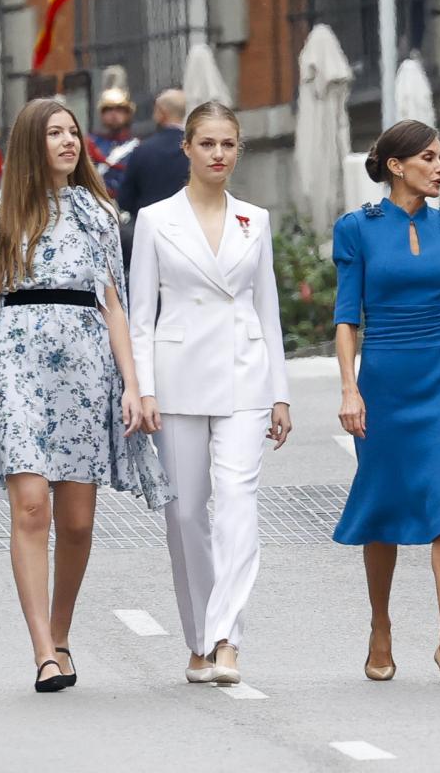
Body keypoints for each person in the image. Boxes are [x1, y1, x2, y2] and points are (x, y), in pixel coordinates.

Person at [0, 98, 173, 693]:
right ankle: (43, 650)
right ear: (30, 143)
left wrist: (131, 384)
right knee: (31, 508)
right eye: (55, 133)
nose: (69, 141)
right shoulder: (2, 218)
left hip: (85, 372)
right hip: (15, 370)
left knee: (75, 522)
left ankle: (62, 632)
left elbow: (115, 305)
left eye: (74, 131)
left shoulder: (100, 215)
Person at [129, 101, 292, 686]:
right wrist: (142, 389)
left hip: (245, 376)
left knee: (238, 506)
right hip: (176, 381)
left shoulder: (256, 219)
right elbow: (141, 314)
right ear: (187, 149)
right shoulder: (154, 220)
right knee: (186, 515)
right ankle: (199, 638)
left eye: (228, 144)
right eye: (208, 144)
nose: (219, 154)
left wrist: (280, 393)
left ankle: (226, 638)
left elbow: (266, 308)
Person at [330, 119, 440, 686]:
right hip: (384, 385)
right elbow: (347, 318)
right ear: (397, 166)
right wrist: (350, 389)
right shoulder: (358, 230)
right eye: (428, 157)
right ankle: (380, 626)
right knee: (384, 504)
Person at [117, 89, 189, 219]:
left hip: (148, 226)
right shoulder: (195, 150)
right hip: (187, 225)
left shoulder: (142, 150)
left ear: (161, 112)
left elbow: (124, 200)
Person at [87, 86, 138, 201]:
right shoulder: (90, 143)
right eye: (109, 110)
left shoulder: (137, 146)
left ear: (128, 114)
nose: (114, 114)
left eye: (119, 109)